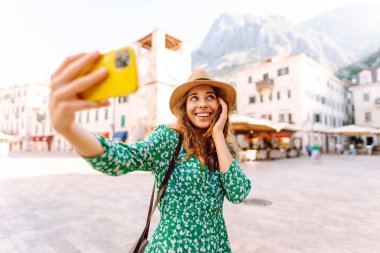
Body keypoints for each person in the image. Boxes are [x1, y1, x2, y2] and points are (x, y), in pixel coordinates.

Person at [48, 52, 252, 253]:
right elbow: (124, 158)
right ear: (185, 106)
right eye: (194, 98)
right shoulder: (169, 139)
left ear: (220, 105)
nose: (202, 104)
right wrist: (69, 129)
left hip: (216, 246)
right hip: (173, 247)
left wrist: (217, 134)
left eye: (210, 97)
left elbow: (238, 193)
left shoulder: (224, 148)